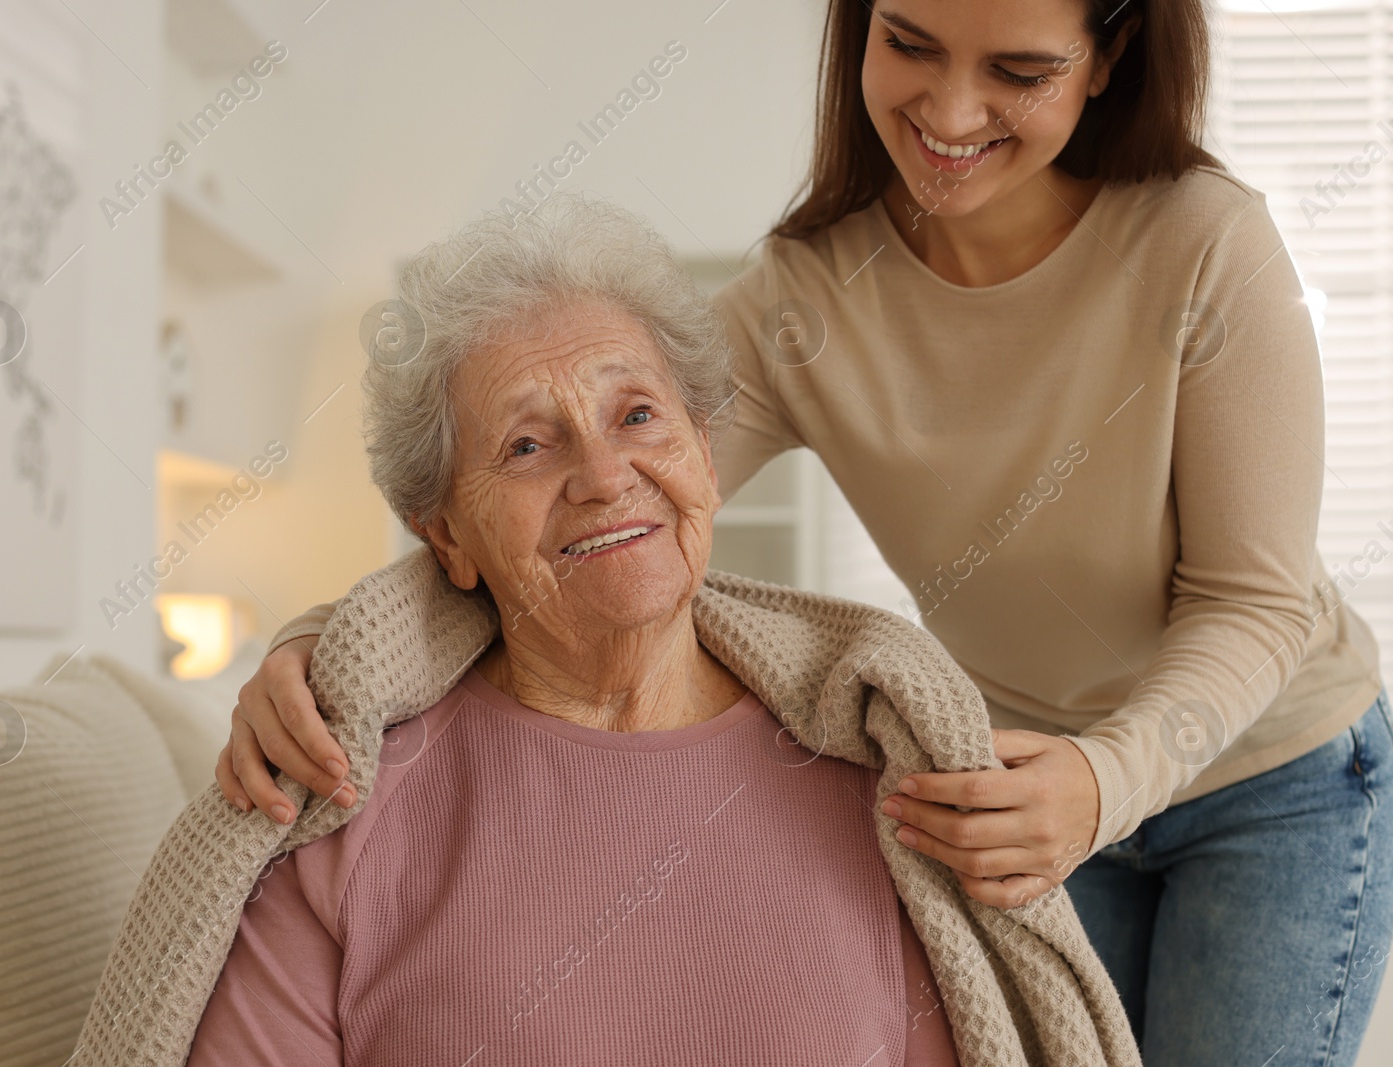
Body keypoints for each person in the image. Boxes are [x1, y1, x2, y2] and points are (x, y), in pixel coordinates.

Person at [215, 1, 1393, 1064]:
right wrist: (324, 651)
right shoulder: (808, 297)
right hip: (1024, 777)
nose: (948, 110)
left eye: (1018, 70)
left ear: (1108, 57)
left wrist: (1108, 779)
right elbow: (587, 512)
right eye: (909, 45)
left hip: (1267, 773)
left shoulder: (1203, 244)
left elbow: (1258, 599)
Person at [185, 193, 964, 1064]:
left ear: (705, 457)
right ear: (446, 535)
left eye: (635, 415)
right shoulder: (337, 809)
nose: (602, 475)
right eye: (526, 445)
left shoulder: (881, 773)